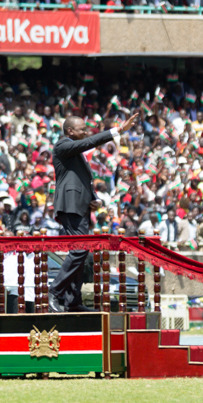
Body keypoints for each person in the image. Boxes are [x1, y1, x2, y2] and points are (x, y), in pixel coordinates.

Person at [50, 111, 140, 311]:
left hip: (80, 207)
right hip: (70, 206)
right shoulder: (62, 145)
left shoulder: (75, 152)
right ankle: (55, 291)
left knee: (82, 254)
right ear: (70, 131)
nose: (86, 132)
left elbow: (80, 178)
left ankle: (73, 301)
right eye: (82, 129)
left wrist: (93, 199)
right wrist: (117, 130)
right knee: (80, 250)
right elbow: (86, 143)